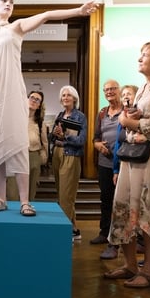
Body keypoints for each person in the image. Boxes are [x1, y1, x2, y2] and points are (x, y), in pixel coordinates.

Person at [0, 0, 97, 217]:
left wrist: (78, 11)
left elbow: (47, 15)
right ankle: (1, 198)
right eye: (4, 0)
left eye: (11, 2)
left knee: (19, 146)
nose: (9, 4)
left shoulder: (17, 27)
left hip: (12, 93)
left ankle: (24, 202)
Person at [105, 40, 150, 288]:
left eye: (145, 55)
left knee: (149, 209)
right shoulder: (145, 87)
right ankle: (129, 265)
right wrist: (131, 117)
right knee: (123, 205)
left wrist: (132, 122)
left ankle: (148, 271)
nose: (139, 58)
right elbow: (131, 115)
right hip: (131, 155)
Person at [91, 80, 125, 259]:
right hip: (104, 164)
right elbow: (95, 138)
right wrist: (97, 146)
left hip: (122, 164)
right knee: (105, 199)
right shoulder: (102, 113)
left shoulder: (127, 111)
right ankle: (104, 233)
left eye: (112, 89)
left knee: (119, 202)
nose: (109, 92)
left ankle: (118, 239)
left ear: (119, 91)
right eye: (106, 90)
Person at [51, 86, 87, 236]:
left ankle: (64, 232)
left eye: (69, 95)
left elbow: (81, 140)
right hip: (57, 154)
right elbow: (53, 137)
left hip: (71, 155)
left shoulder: (80, 117)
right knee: (62, 194)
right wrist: (54, 134)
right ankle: (73, 229)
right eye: (63, 95)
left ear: (74, 98)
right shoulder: (60, 115)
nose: (65, 97)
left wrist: (65, 136)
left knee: (67, 196)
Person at [7, 90, 49, 201]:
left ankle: (26, 214)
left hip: (33, 157)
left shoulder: (40, 124)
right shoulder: (16, 119)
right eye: (32, 97)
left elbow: (45, 144)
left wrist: (41, 160)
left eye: (37, 99)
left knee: (29, 194)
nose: (34, 101)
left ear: (39, 105)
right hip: (16, 156)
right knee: (12, 193)